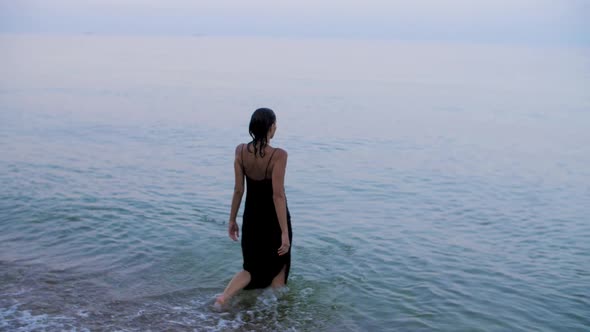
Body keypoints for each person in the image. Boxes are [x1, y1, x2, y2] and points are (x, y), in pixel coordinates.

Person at [215, 108, 293, 307]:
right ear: (270, 127)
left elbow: (238, 190)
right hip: (274, 220)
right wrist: (284, 232)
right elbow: (277, 195)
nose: (276, 127)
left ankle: (223, 299)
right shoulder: (279, 155)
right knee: (279, 266)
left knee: (250, 268)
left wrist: (232, 219)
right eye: (275, 124)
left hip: (251, 218)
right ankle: (273, 316)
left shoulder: (240, 151)